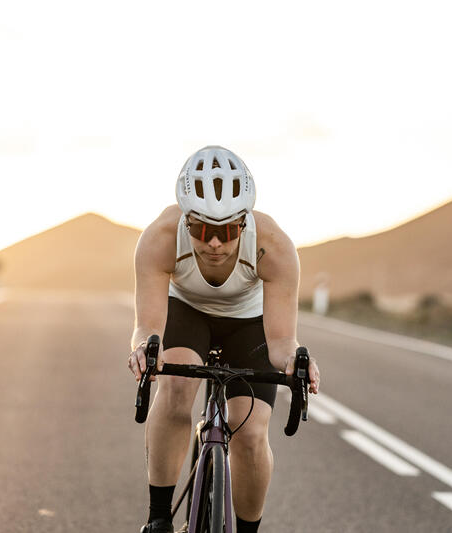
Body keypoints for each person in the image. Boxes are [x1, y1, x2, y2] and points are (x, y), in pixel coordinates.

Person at [128, 146, 320, 533]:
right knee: (177, 386)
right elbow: (147, 327)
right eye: (202, 229)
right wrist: (143, 351)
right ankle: (159, 518)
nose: (215, 243)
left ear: (245, 224)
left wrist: (297, 360)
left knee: (249, 431)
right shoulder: (160, 238)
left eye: (228, 230)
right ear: (186, 223)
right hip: (187, 312)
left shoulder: (275, 246)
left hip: (249, 324)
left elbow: (281, 340)